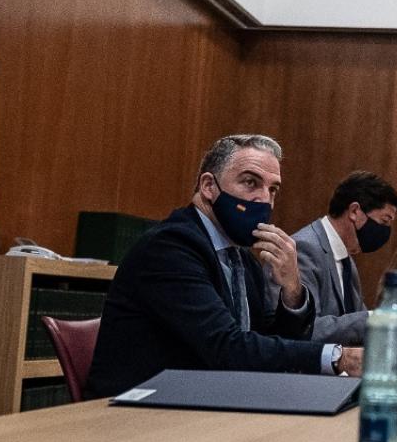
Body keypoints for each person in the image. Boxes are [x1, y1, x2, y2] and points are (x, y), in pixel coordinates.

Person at [87, 134, 362, 397]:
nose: (264, 198)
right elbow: (226, 347)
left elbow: (270, 343)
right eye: (250, 182)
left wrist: (292, 290)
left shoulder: (241, 257)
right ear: (208, 186)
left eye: (273, 189)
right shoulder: (171, 247)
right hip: (138, 413)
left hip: (208, 401)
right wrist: (339, 357)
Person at [291, 170, 397, 345]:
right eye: (384, 221)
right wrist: (376, 317)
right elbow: (308, 329)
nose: (386, 231)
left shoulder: (346, 261)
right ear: (355, 211)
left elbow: (360, 324)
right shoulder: (304, 249)